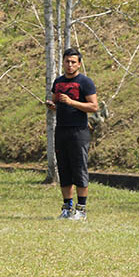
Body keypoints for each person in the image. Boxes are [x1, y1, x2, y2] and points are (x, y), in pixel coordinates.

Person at [46, 48, 98, 220]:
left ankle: (81, 209)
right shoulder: (58, 82)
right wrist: (52, 106)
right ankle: (67, 208)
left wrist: (72, 102)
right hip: (61, 130)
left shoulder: (85, 82)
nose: (70, 65)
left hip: (79, 131)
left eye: (73, 62)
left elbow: (93, 107)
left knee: (79, 169)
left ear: (79, 63)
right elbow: (55, 102)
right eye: (67, 61)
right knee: (64, 169)